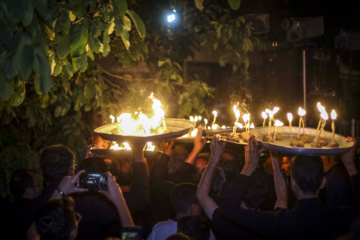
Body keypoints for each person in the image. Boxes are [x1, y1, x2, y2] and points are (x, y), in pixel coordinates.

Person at [197, 135, 360, 240]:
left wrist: (249, 165)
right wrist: (350, 164)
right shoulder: (339, 218)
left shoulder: (281, 222)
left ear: (293, 183)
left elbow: (229, 211)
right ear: (323, 182)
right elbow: (282, 198)